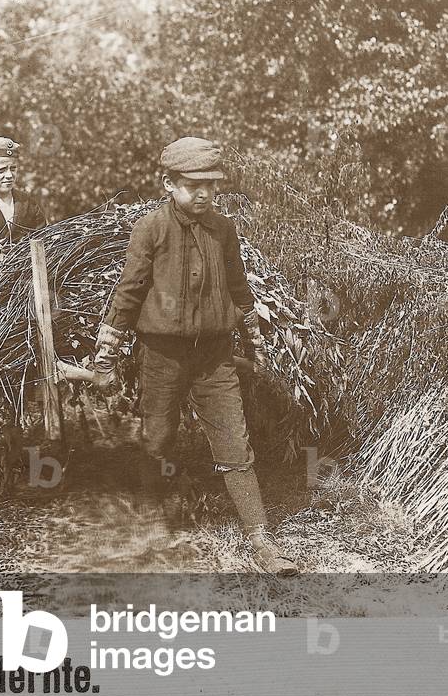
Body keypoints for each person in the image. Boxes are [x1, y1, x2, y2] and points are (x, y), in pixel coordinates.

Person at [95, 136, 299, 576]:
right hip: (162, 355)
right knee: (158, 437)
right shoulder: (151, 229)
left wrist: (255, 340)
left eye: (211, 184)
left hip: (214, 357)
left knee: (235, 444)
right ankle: (156, 521)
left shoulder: (223, 229)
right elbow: (129, 291)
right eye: (193, 185)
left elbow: (239, 287)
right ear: (168, 184)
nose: (204, 193)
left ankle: (262, 541)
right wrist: (107, 350)